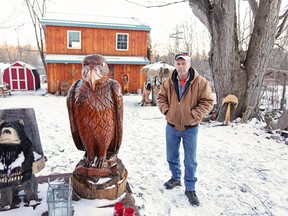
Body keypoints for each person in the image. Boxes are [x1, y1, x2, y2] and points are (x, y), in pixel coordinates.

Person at [156, 52, 214, 206]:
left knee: (190, 160)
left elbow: (208, 102)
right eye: (178, 64)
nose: (181, 67)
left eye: (184, 63)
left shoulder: (200, 82)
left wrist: (194, 114)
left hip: (190, 128)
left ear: (189, 64)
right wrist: (167, 111)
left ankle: (190, 188)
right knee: (171, 155)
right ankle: (175, 178)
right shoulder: (169, 81)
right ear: (175, 65)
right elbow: (161, 98)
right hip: (172, 126)